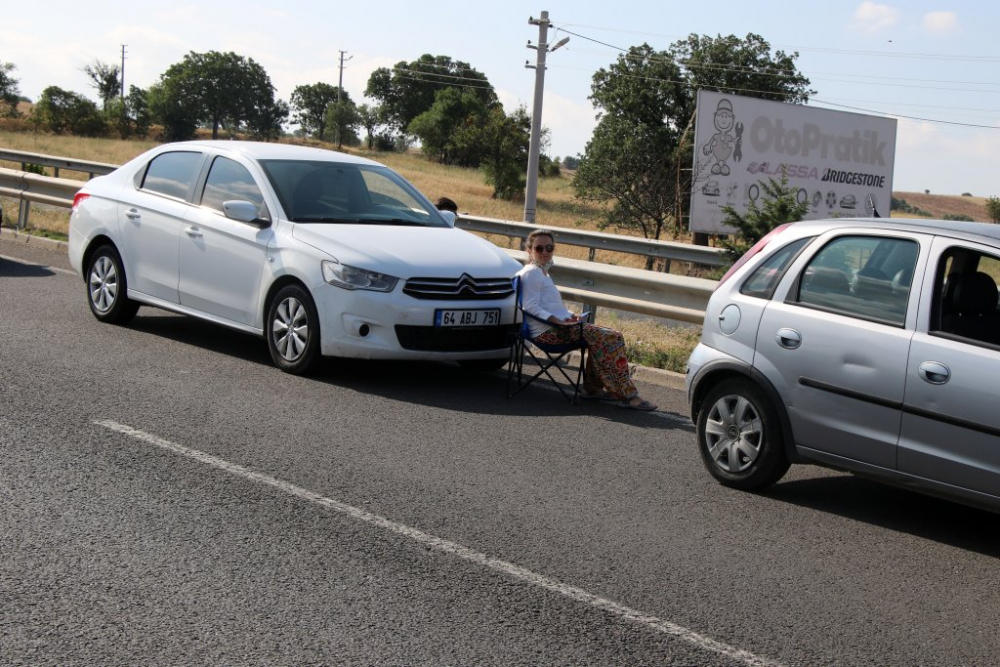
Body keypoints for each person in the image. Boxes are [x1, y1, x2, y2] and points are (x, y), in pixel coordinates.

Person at [516, 229, 657, 411]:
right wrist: (557, 321)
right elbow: (529, 307)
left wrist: (568, 315)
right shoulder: (531, 273)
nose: (544, 252)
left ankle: (593, 389)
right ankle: (628, 395)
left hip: (559, 328)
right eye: (539, 248)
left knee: (603, 337)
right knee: (611, 337)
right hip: (548, 333)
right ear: (529, 250)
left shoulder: (542, 272)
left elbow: (550, 306)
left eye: (549, 248)